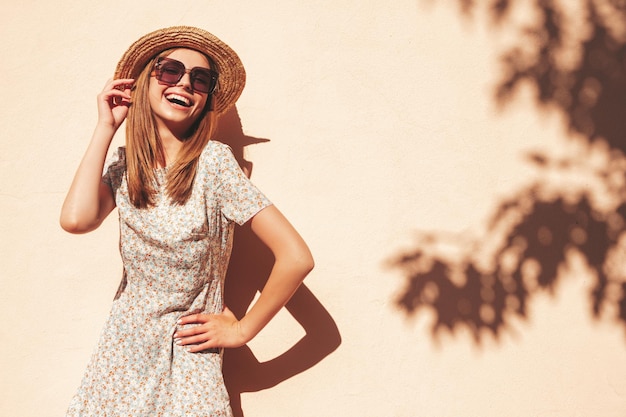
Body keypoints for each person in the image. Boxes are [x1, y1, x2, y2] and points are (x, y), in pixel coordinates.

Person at [60, 26, 314, 416]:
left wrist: (242, 330)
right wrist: (106, 128)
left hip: (187, 358)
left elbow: (296, 256)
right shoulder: (127, 165)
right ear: (145, 82)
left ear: (206, 98)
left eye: (201, 79)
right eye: (170, 70)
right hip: (121, 355)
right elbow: (76, 220)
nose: (185, 83)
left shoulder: (213, 164)